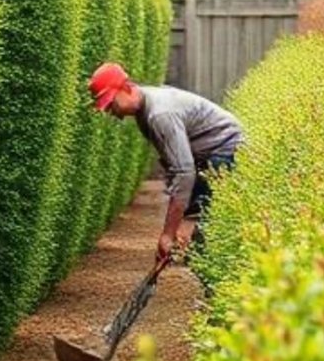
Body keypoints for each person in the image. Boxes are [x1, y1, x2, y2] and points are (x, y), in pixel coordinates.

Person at [87, 62, 244, 261]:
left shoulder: (159, 115)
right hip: (209, 153)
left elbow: (184, 172)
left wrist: (168, 234)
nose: (112, 112)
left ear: (125, 88)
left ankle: (209, 264)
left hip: (227, 150)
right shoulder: (146, 107)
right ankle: (193, 251)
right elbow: (172, 163)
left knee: (204, 227)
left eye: (111, 104)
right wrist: (174, 225)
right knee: (188, 211)